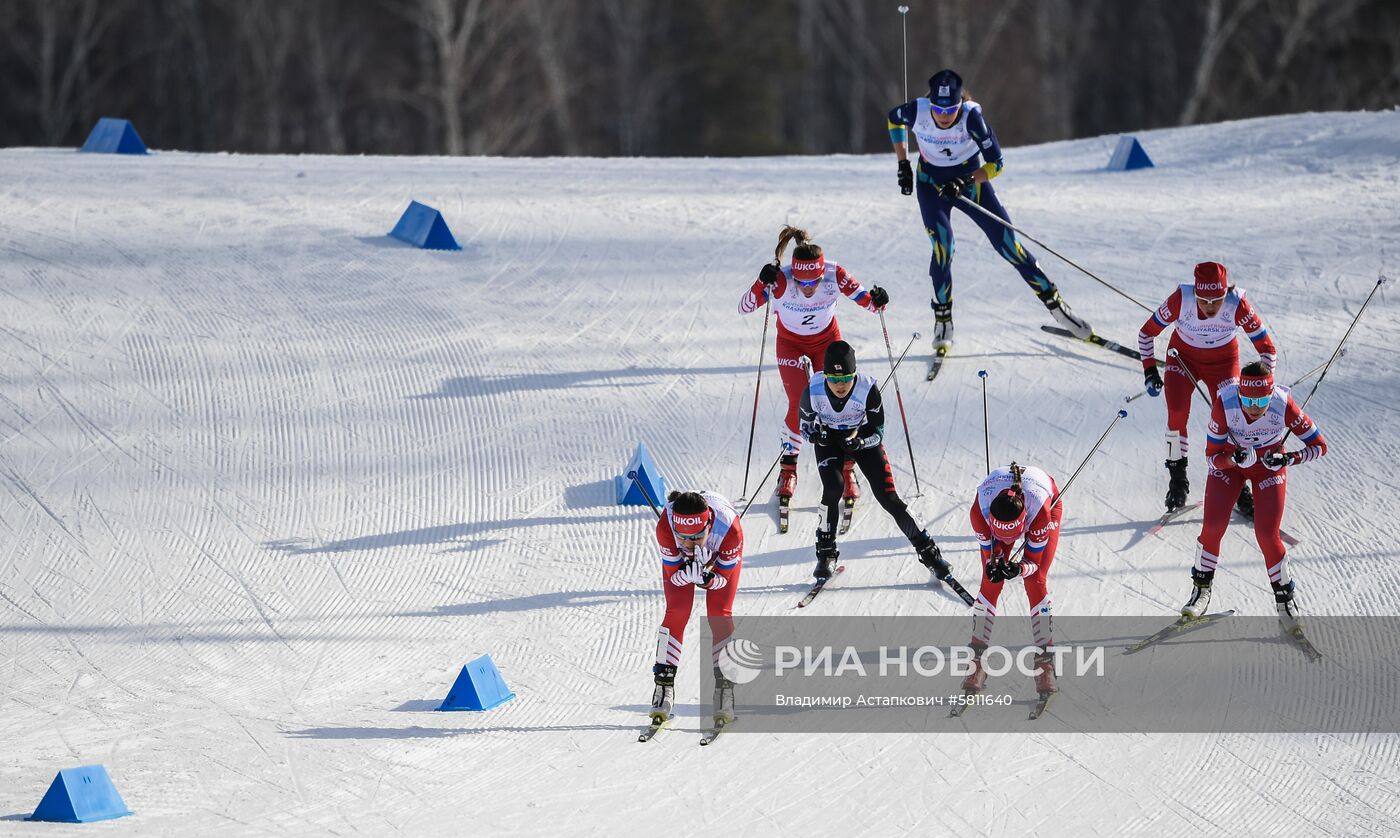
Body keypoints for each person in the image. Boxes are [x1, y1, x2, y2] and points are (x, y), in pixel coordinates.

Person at [887, 68, 1091, 357]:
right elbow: (892, 120)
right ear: (930, 102)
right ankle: (943, 320)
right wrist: (903, 163)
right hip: (931, 185)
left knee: (1009, 245)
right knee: (943, 248)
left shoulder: (971, 117)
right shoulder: (916, 111)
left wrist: (968, 180)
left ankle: (1058, 308)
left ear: (960, 104)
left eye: (950, 110)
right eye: (938, 109)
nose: (944, 116)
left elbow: (997, 163)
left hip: (970, 184)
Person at [739, 226, 888, 505]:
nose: (808, 290)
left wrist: (879, 300)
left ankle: (847, 468)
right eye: (802, 283)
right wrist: (761, 283)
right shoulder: (781, 280)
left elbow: (870, 304)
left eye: (814, 283)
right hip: (791, 343)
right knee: (799, 402)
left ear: (822, 275)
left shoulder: (835, 274)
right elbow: (744, 308)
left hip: (827, 344)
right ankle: (788, 468)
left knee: (839, 400)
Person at [1181, 362, 1327, 633]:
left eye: (1261, 401)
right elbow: (1212, 458)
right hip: (1231, 467)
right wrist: (1232, 458)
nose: (1254, 407)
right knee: (1212, 527)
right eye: (1248, 400)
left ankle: (1285, 600)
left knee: (1267, 536)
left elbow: (1319, 446)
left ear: (1271, 395)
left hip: (1268, 469)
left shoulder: (1283, 405)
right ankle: (1201, 590)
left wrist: (1287, 458)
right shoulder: (1225, 403)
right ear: (1239, 395)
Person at [797, 340, 951, 584]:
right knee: (833, 489)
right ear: (825, 375)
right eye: (833, 379)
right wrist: (816, 435)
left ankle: (928, 551)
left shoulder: (867, 389)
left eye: (846, 378)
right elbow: (804, 427)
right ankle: (826, 554)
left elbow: (878, 432)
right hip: (829, 441)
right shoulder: (813, 388)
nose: (840, 385)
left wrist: (859, 444)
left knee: (888, 497)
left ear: (854, 374)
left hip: (861, 438)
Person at [1138, 261, 1277, 515]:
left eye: (1217, 300)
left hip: (1223, 363)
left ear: (1226, 294)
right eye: (1203, 300)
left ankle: (1238, 484)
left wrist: (1266, 389)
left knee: (1234, 422)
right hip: (1183, 359)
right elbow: (1146, 333)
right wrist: (1150, 371)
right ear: (1196, 293)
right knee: (1177, 414)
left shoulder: (1238, 304)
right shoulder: (1182, 299)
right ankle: (1177, 480)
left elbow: (1267, 349)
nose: (1210, 307)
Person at [961, 463, 1062, 698]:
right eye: (1001, 535)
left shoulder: (1039, 513)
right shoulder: (979, 512)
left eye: (1013, 536)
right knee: (991, 581)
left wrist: (1017, 569)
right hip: (1001, 514)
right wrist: (994, 566)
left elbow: (1033, 564)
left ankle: (1045, 662)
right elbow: (990, 560)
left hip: (1048, 500)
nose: (1010, 541)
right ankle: (976, 661)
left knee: (1035, 581)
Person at [649, 490, 744, 727]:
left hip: (718, 556)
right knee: (677, 612)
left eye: (696, 537)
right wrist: (685, 574)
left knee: (719, 614)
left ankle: (725, 692)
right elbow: (673, 573)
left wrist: (707, 579)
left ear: (709, 526)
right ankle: (663, 687)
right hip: (684, 566)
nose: (688, 544)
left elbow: (723, 578)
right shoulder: (665, 526)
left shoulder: (730, 529)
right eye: (682, 537)